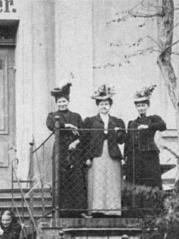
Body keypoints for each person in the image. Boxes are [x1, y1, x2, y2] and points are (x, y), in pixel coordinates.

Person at [82, 84, 126, 217]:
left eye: (106, 104)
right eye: (101, 104)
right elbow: (85, 140)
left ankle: (113, 210)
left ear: (110, 105)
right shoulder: (91, 121)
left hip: (112, 154)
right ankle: (97, 210)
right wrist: (87, 157)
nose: (104, 106)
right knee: (98, 181)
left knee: (112, 181)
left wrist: (119, 132)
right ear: (97, 105)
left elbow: (122, 140)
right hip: (97, 153)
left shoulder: (117, 121)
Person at [46, 82, 86, 217]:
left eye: (64, 101)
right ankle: (60, 210)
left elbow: (83, 133)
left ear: (68, 102)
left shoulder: (76, 116)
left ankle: (77, 211)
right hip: (60, 150)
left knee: (76, 179)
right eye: (59, 102)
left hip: (75, 150)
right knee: (60, 179)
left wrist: (76, 142)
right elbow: (51, 125)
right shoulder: (52, 115)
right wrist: (66, 125)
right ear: (56, 103)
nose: (62, 104)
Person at [124, 85, 166, 215]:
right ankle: (136, 210)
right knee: (135, 181)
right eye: (138, 106)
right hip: (135, 156)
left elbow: (163, 126)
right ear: (136, 108)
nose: (141, 108)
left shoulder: (153, 118)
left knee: (151, 181)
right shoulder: (132, 123)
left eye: (143, 105)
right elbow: (128, 141)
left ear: (147, 106)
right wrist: (126, 156)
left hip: (149, 156)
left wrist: (148, 127)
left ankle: (152, 209)